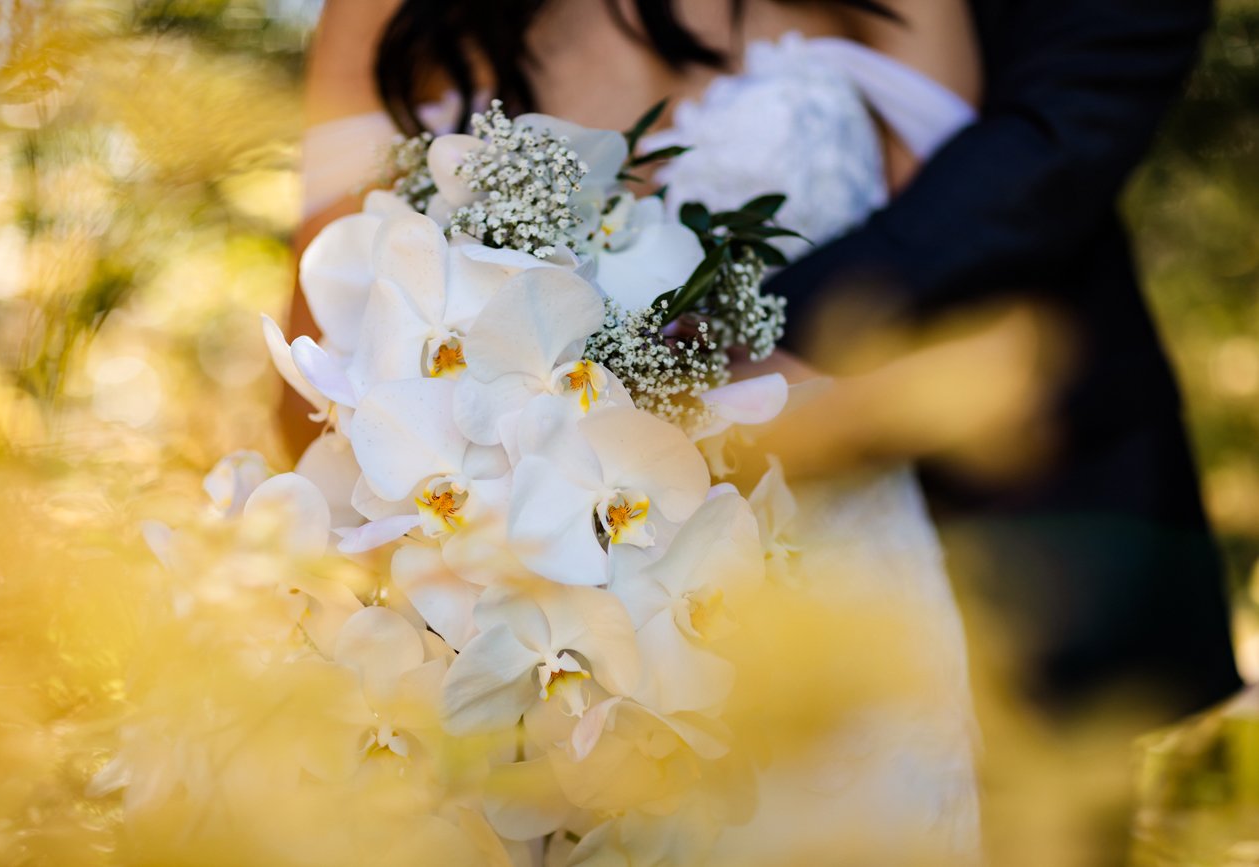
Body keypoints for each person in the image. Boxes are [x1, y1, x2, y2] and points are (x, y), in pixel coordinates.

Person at [293, 0, 988, 858]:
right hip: (534, 652)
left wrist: (711, 438)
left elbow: (972, 303)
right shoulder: (382, 15)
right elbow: (317, 375)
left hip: (843, 580)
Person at [761, 0, 1241, 717]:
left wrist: (760, 328)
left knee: (1054, 794)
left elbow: (1059, 136)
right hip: (721, 498)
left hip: (1036, 466)